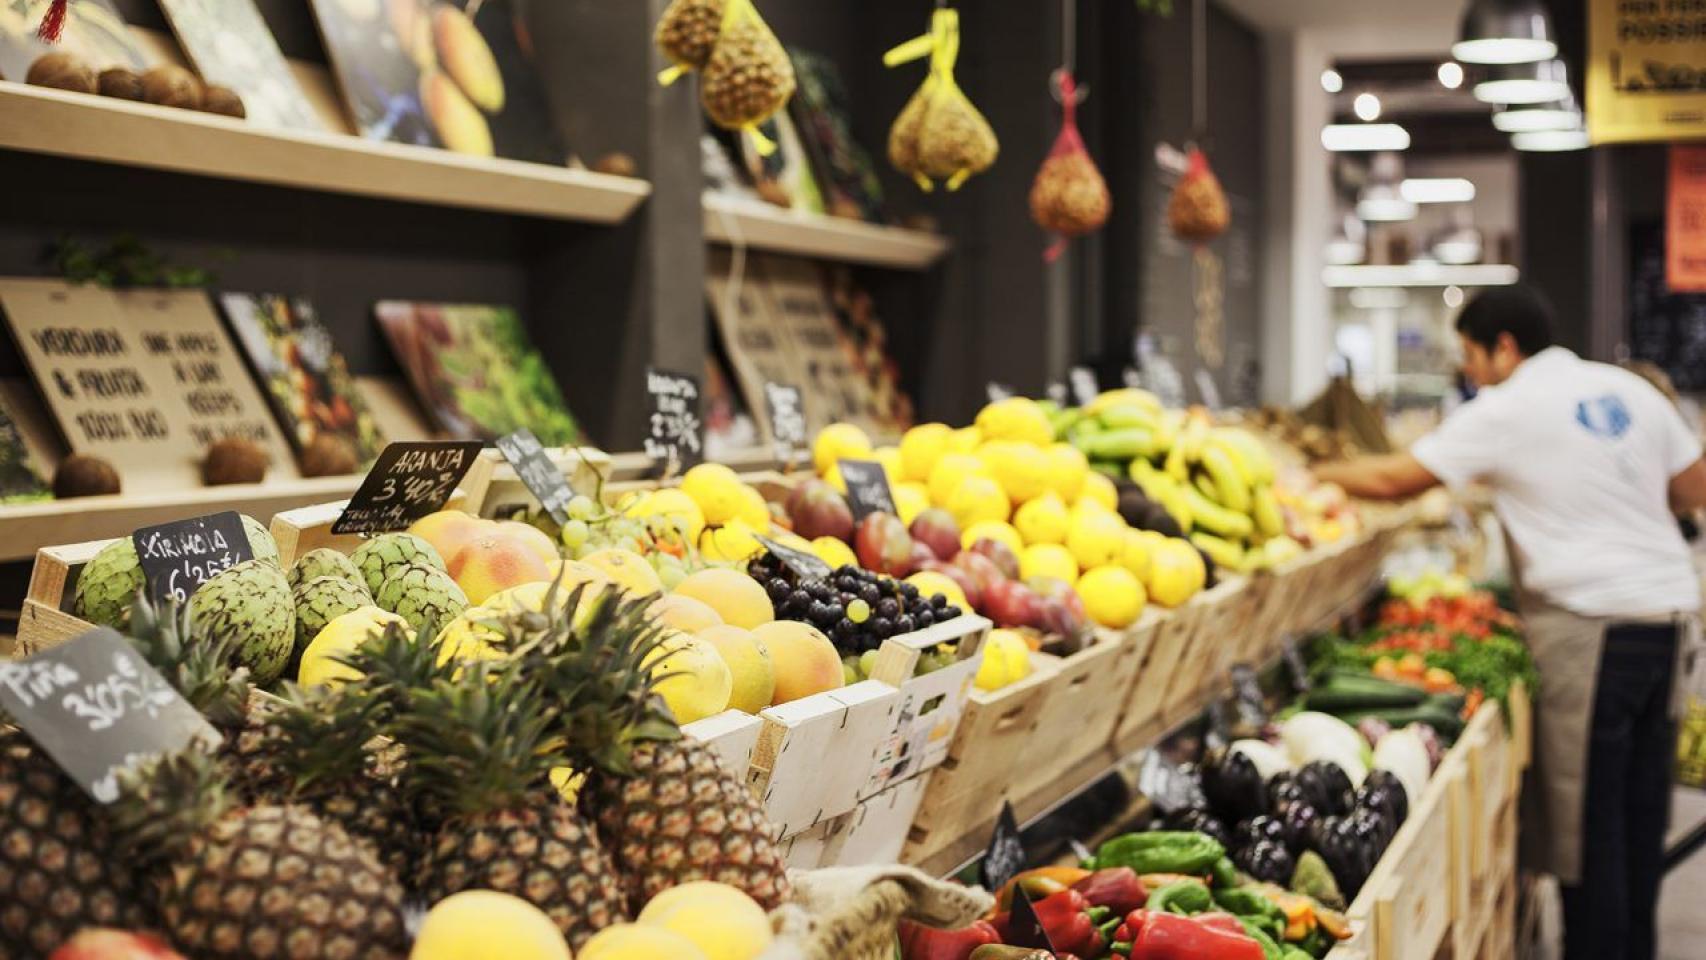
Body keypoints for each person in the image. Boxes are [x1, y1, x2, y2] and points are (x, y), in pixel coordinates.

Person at [1313, 285, 1706, 960]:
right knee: (1642, 813)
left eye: (1470, 354)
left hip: (1590, 628)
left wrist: (1313, 472)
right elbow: (1693, 487)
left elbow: (1398, 480)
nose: (1468, 371)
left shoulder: (1506, 407)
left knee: (1589, 827)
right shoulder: (1627, 389)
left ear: (1503, 347)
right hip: (1669, 618)